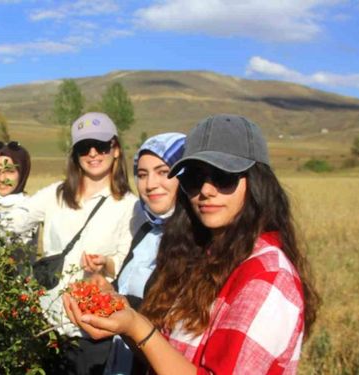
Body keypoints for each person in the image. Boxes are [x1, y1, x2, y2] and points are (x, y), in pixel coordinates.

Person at [64, 114, 320, 375]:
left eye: (223, 176)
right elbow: (166, 358)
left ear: (257, 181)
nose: (206, 190)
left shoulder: (266, 276)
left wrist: (136, 326)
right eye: (194, 178)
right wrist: (121, 314)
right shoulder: (203, 255)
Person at [5, 112, 138, 375]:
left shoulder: (130, 206)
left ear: (116, 150)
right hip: (46, 324)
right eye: (82, 147)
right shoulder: (56, 194)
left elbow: (128, 261)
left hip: (92, 331)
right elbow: (12, 224)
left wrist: (105, 265)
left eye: (100, 146)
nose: (92, 153)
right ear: (75, 154)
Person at [103, 132, 186, 375]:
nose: (150, 184)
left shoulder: (196, 244)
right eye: (142, 174)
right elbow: (126, 293)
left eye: (163, 172)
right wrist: (106, 290)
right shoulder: (146, 232)